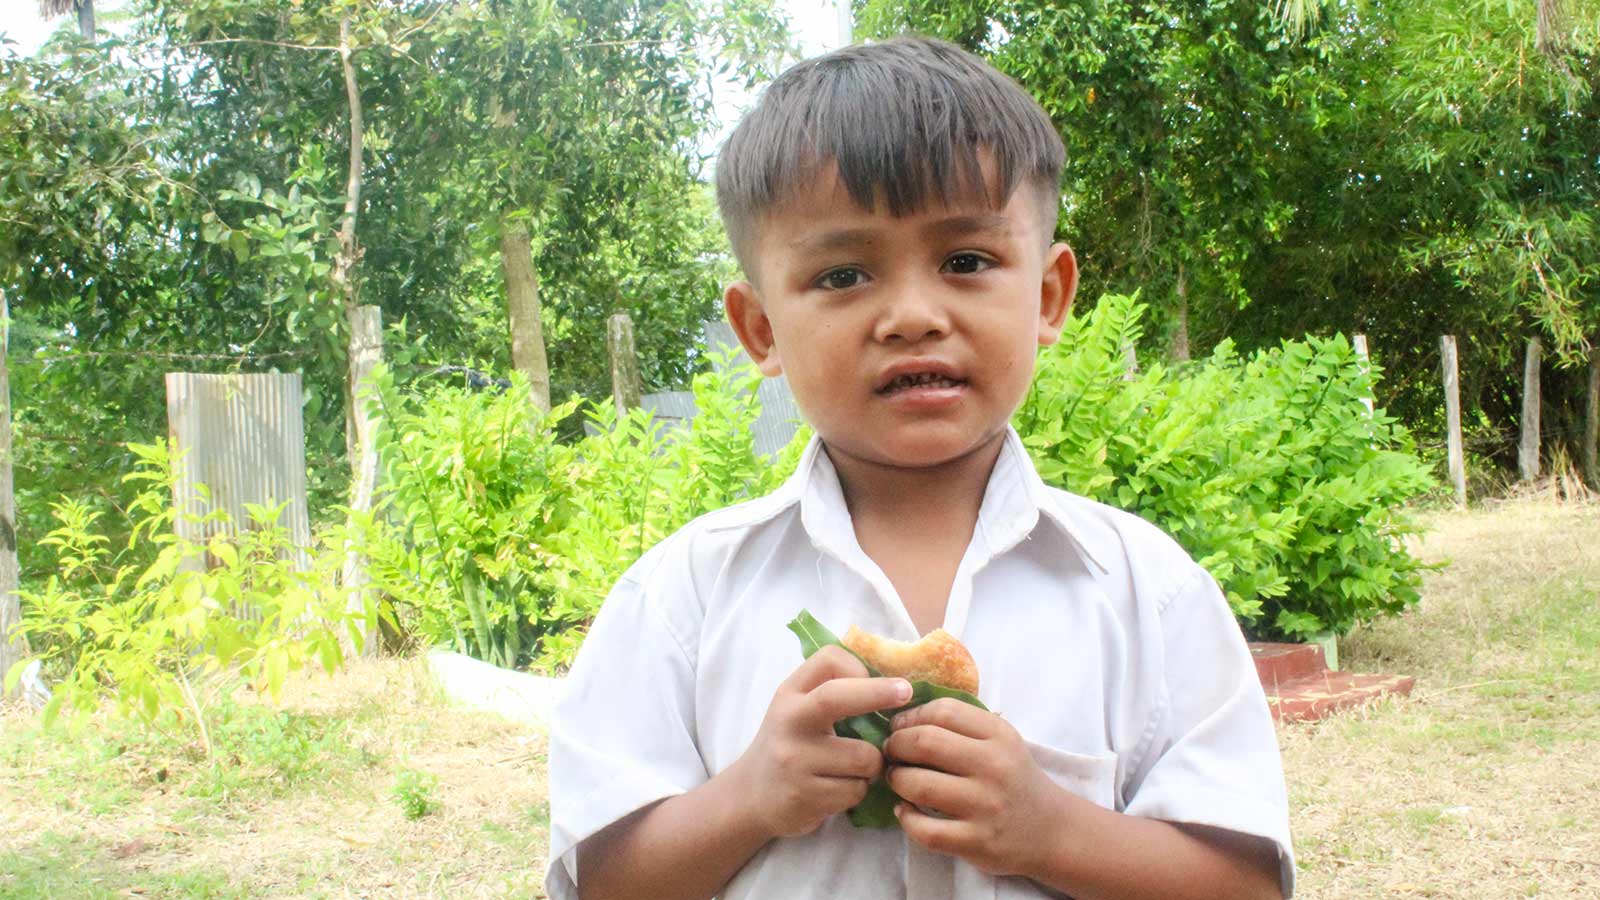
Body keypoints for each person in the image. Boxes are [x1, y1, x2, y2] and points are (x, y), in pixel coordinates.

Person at [545, 36, 1294, 900]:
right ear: (759, 331)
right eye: (843, 273)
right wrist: (748, 800)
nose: (910, 316)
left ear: (1047, 297)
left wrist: (1050, 831)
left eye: (966, 261)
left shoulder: (1146, 593)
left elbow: (1247, 884)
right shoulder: (683, 599)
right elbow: (601, 883)